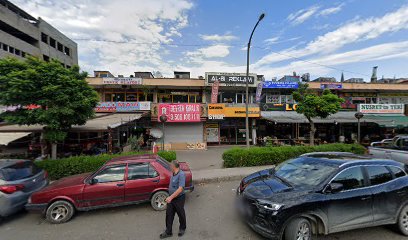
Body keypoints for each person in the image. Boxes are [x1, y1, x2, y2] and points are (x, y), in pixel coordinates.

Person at [160, 161, 186, 239]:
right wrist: (170, 196)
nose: (170, 167)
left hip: (179, 198)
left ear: (174, 167)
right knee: (169, 214)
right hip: (171, 197)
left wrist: (171, 197)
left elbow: (180, 188)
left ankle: (182, 228)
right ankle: (168, 232)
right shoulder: (173, 173)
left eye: (171, 166)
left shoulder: (181, 174)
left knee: (180, 214)